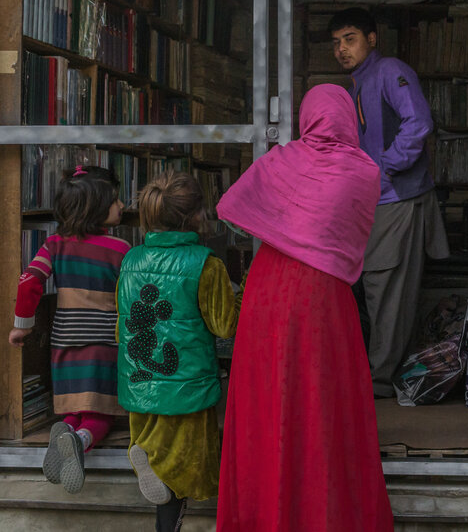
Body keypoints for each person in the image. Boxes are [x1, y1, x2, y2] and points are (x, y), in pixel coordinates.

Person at [215, 84, 393, 531]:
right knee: (321, 402)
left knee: (269, 398)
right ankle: (322, 512)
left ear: (306, 118)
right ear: (350, 118)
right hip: (322, 297)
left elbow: (231, 205)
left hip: (267, 289)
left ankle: (264, 512)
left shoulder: (279, 160)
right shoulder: (364, 172)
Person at [329, 7, 450, 398]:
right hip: (375, 200)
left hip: (397, 197)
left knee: (386, 289)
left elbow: (419, 122)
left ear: (372, 39)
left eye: (350, 39)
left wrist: (386, 168)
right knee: (371, 287)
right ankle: (377, 375)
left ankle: (379, 383)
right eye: (336, 43)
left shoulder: (388, 71)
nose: (342, 49)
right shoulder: (356, 85)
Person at [116, 171, 238, 532]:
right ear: (196, 216)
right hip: (185, 386)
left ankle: (145, 457)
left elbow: (121, 321)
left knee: (161, 463)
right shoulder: (205, 264)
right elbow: (224, 325)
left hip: (140, 381)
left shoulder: (130, 260)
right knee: (180, 471)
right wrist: (245, 292)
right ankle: (153, 470)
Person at [8, 165, 129, 494]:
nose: (123, 206)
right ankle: (80, 439)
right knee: (101, 411)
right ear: (96, 207)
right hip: (106, 342)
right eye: (116, 201)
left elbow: (30, 281)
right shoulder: (121, 250)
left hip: (65, 338)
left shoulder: (54, 245)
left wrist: (23, 327)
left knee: (76, 405)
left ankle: (67, 431)